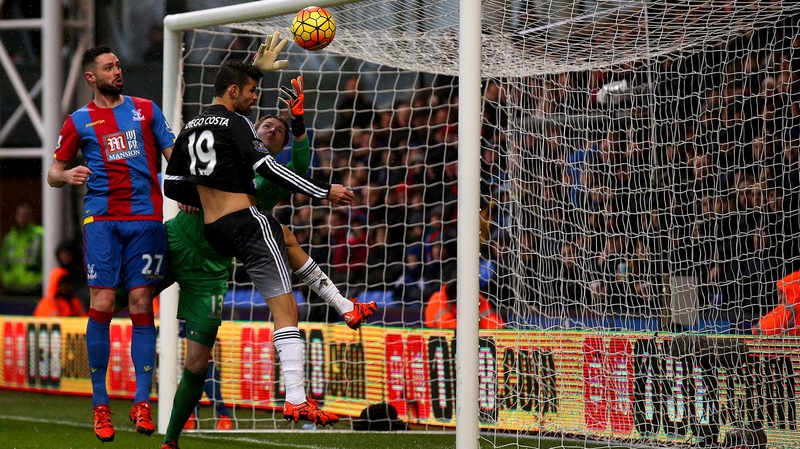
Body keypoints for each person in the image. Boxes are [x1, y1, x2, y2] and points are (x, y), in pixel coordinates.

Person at [162, 37, 354, 448]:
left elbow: (172, 180)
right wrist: (324, 191)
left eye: (278, 128)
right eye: (259, 106)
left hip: (215, 244)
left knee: (192, 354)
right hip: (211, 230)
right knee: (285, 303)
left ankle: (169, 437)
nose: (265, 118)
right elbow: (254, 147)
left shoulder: (198, 125)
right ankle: (299, 397)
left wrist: (291, 116)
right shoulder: (240, 133)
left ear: (284, 142)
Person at [46, 44, 174, 442]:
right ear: (91, 77)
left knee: (140, 303)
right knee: (101, 303)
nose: (118, 71)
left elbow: (175, 155)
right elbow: (53, 171)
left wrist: (189, 185)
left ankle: (141, 402)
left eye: (118, 64)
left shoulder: (147, 109)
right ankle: (101, 405)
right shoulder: (79, 121)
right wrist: (66, 177)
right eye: (108, 67)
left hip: (146, 219)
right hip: (101, 219)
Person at [424, 280, 506, 329]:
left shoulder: (477, 297)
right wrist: (471, 331)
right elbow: (446, 324)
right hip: (440, 345)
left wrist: (497, 331)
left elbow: (492, 321)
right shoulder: (438, 298)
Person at [1, 204, 44, 296]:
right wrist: (6, 279)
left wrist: (38, 280)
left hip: (33, 288)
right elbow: (3, 262)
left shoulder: (39, 235)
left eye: (25, 214)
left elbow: (47, 259)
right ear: (15, 216)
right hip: (12, 288)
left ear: (30, 216)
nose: (22, 217)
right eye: (19, 214)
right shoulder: (10, 237)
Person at [752, 270, 800, 335]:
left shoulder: (791, 308)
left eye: (782, 293)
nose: (780, 299)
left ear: (791, 290)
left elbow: (759, 329)